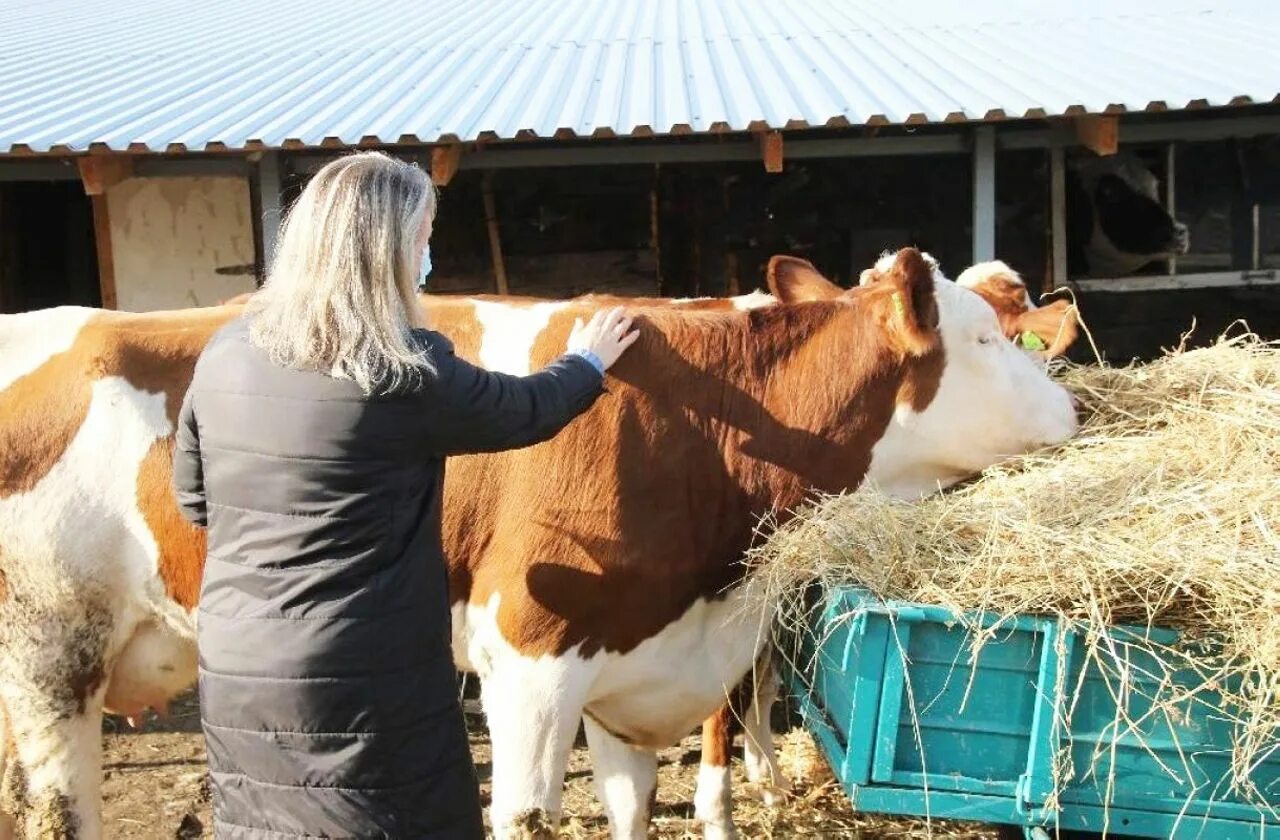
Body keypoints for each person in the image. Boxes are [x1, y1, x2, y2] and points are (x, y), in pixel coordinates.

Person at [172, 151, 638, 839]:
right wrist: (588, 360)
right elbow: (524, 410)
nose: (429, 255)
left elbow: (195, 500)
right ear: (384, 251)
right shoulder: (401, 370)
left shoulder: (227, 351)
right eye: (421, 239)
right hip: (361, 675)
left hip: (241, 666)